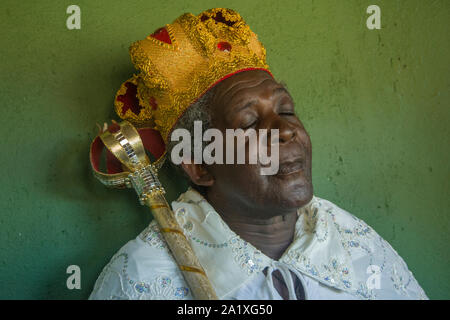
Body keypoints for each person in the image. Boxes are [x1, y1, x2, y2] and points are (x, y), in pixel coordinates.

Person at [89, 8, 427, 300]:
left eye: (288, 111)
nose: (286, 130)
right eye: (249, 122)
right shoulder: (143, 277)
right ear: (199, 166)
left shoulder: (358, 248)